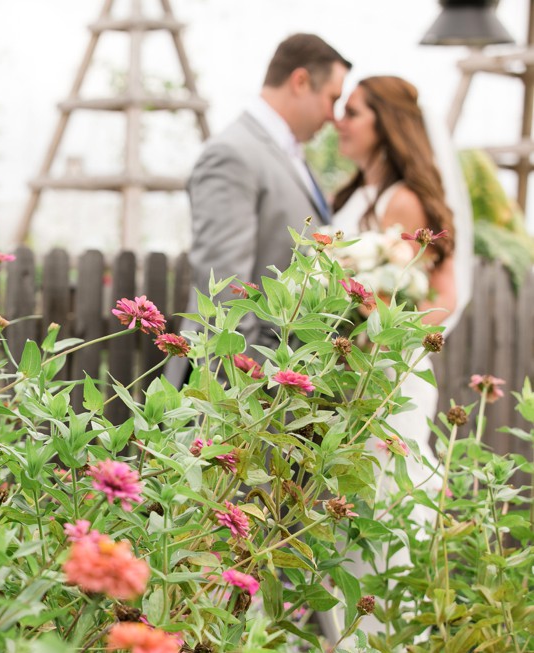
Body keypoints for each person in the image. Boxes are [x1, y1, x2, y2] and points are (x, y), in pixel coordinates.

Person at [327, 75, 474, 642]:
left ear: (385, 124)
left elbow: (443, 299)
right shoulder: (358, 194)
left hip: (389, 377)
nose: (341, 120)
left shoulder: (405, 197)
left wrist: (378, 314)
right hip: (354, 376)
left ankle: (386, 634)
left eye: (354, 111)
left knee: (382, 503)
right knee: (349, 507)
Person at [167, 34, 351, 387]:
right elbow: (224, 287)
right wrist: (259, 381)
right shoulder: (233, 154)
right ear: (300, 82)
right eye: (332, 98)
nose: (332, 115)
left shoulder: (290, 156)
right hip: (236, 392)